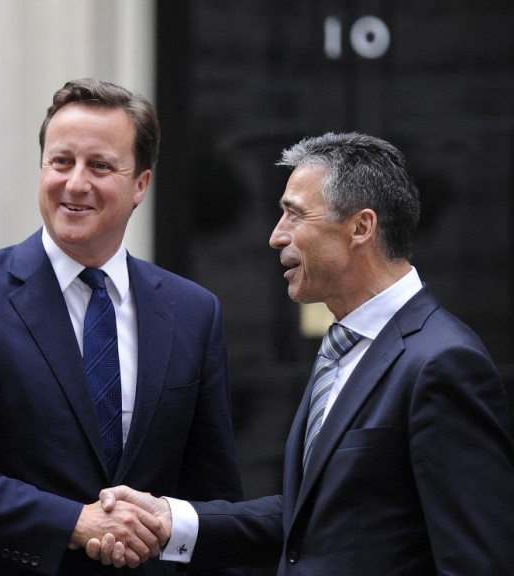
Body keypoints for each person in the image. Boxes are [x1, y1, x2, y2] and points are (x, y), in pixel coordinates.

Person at [89, 132, 514, 574]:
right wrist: (169, 521)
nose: (276, 237)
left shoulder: (444, 362)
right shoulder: (345, 347)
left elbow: (476, 560)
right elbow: (314, 518)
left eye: (294, 215)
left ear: (361, 228)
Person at [0, 78, 247, 575]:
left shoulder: (193, 312)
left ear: (141, 184)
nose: (76, 183)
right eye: (61, 162)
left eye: (100, 166)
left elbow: (212, 498)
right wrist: (72, 523)